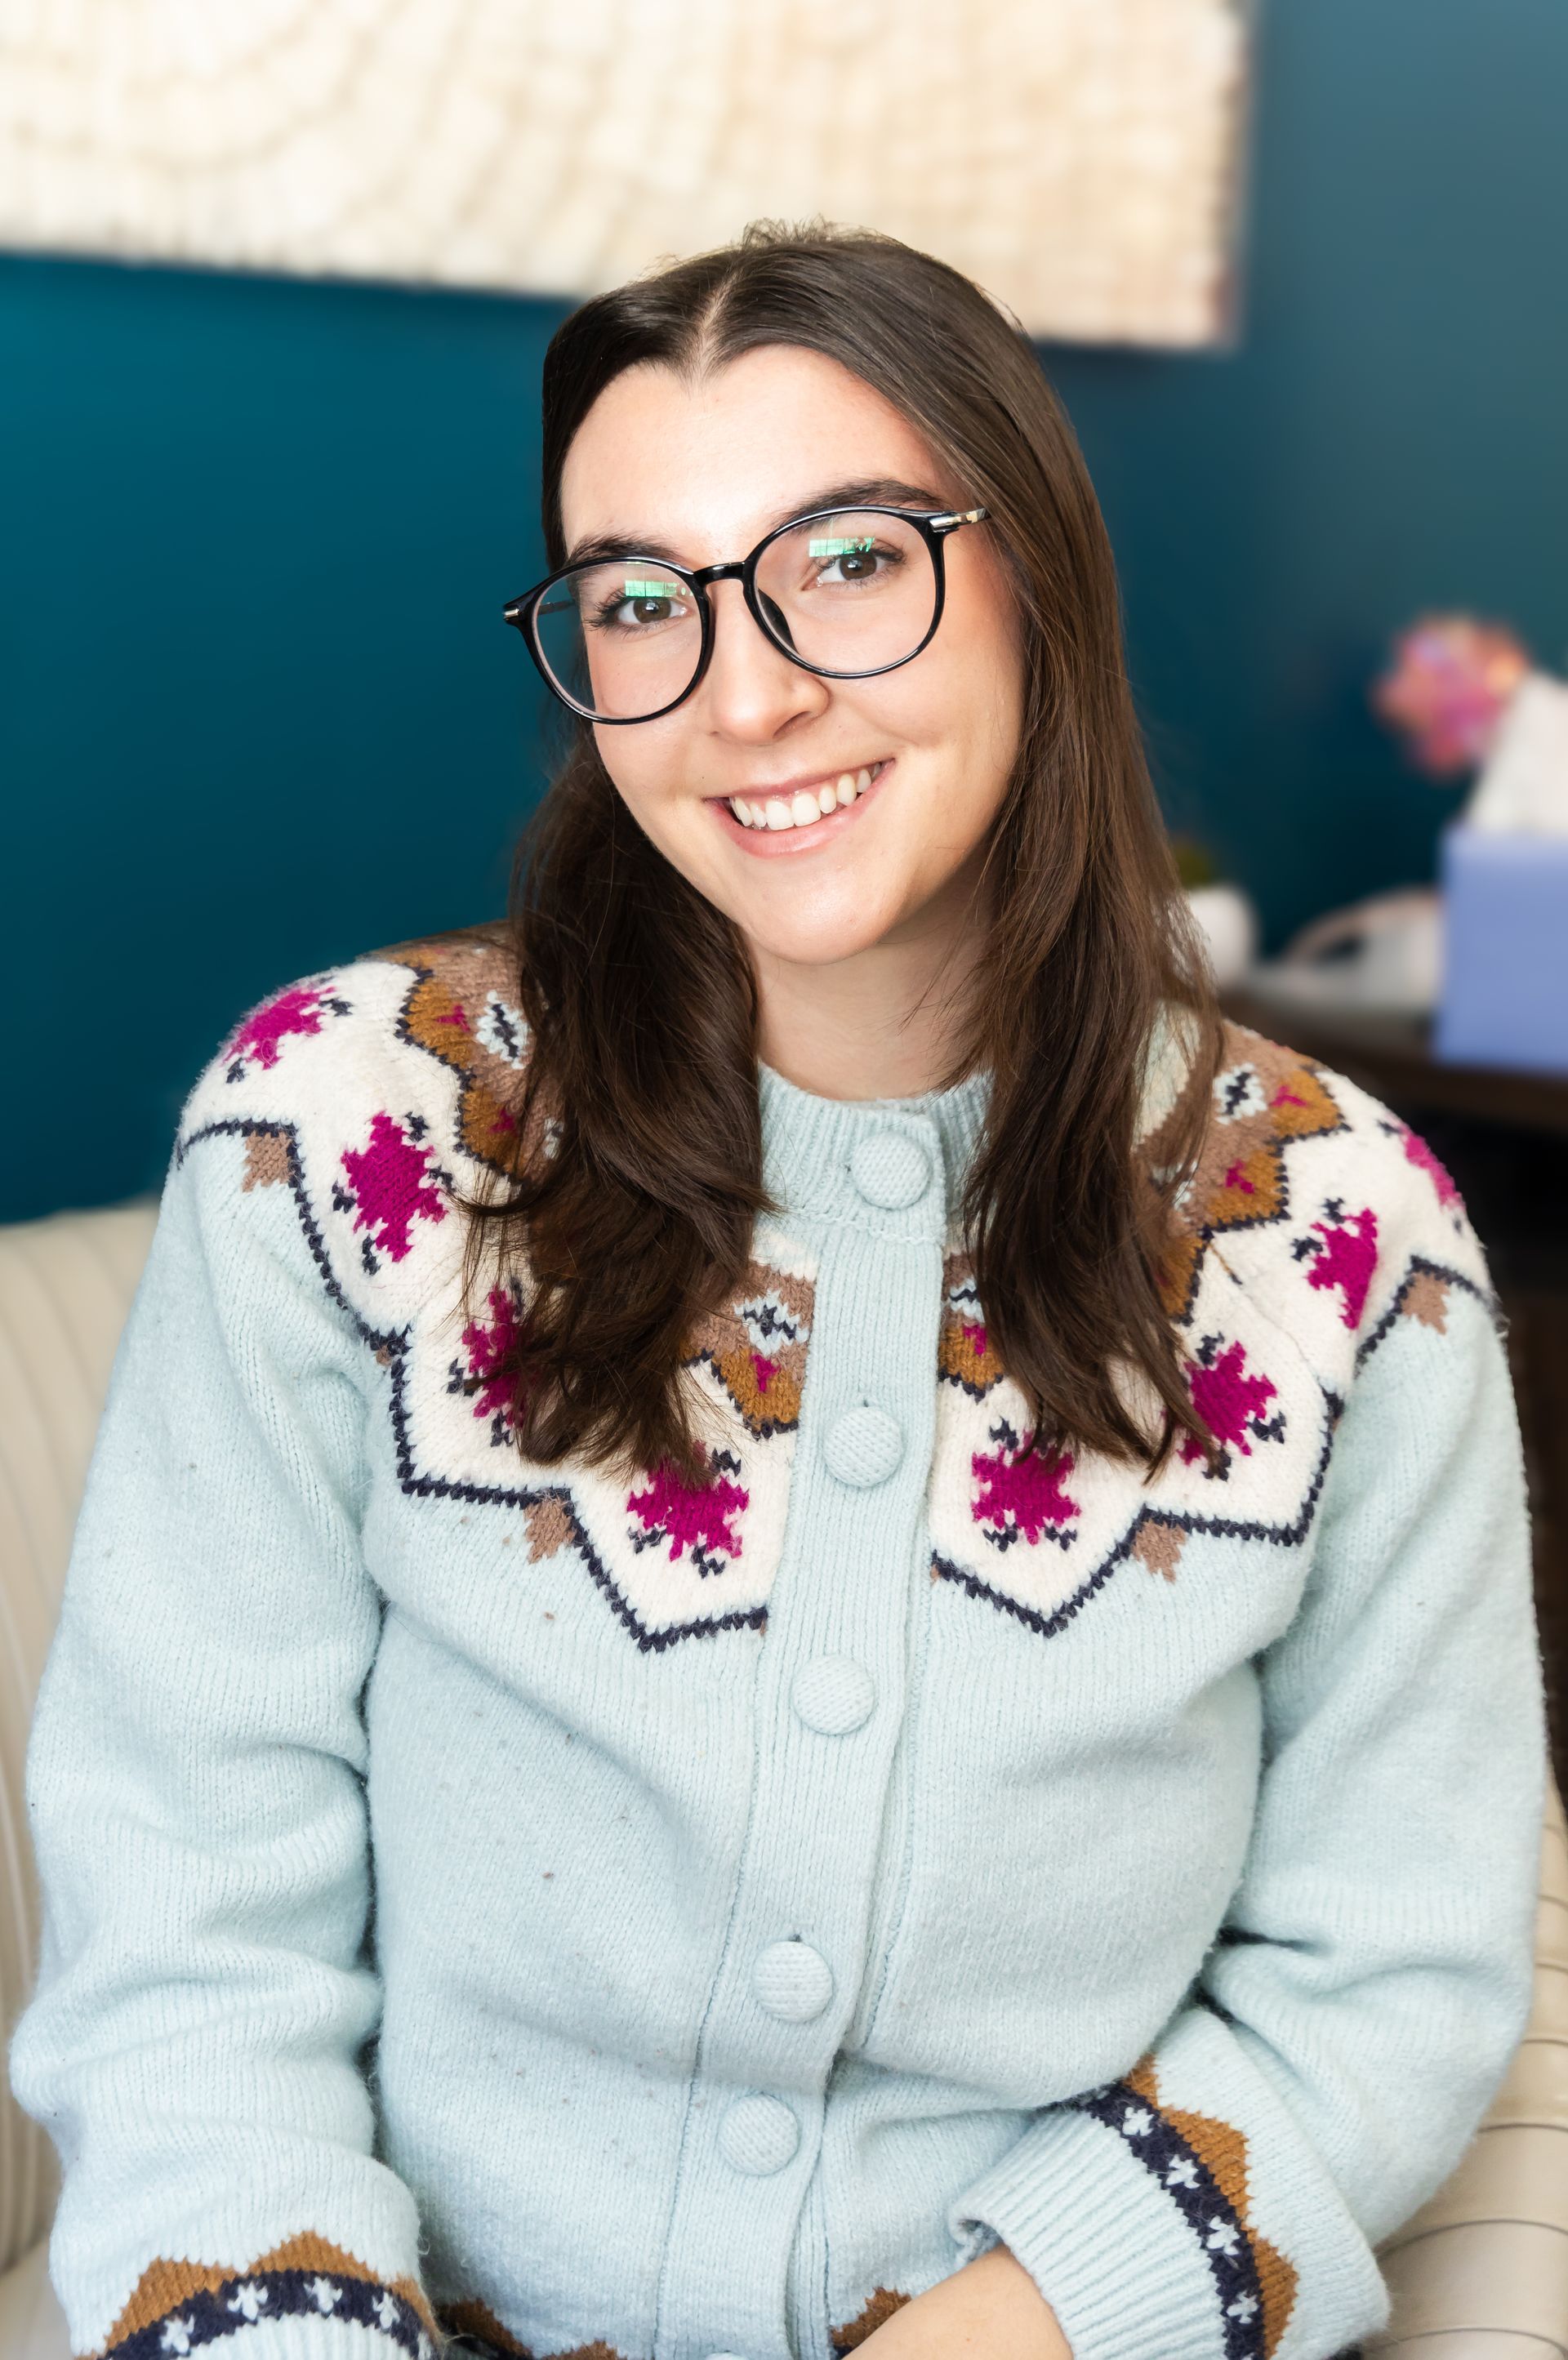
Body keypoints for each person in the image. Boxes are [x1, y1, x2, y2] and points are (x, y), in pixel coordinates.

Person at [7, 221, 1545, 2360]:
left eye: (845, 561)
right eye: (640, 599)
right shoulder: (342, 1134)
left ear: (1032, 571)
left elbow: (1387, 1966)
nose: (743, 694)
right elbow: (190, 1920)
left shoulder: (1349, 1242)